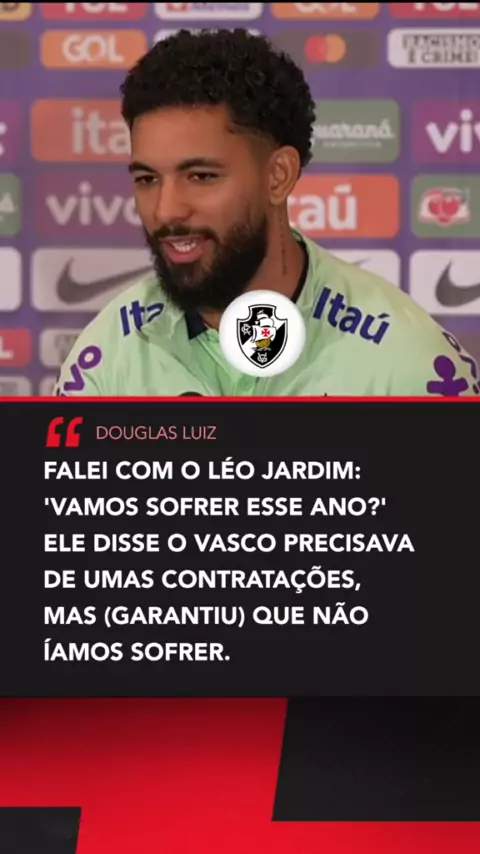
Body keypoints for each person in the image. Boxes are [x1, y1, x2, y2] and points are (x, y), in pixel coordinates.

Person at [54, 29, 479, 398]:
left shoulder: (408, 365)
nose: (166, 210)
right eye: (147, 179)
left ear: (278, 176)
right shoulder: (105, 358)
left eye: (201, 176)